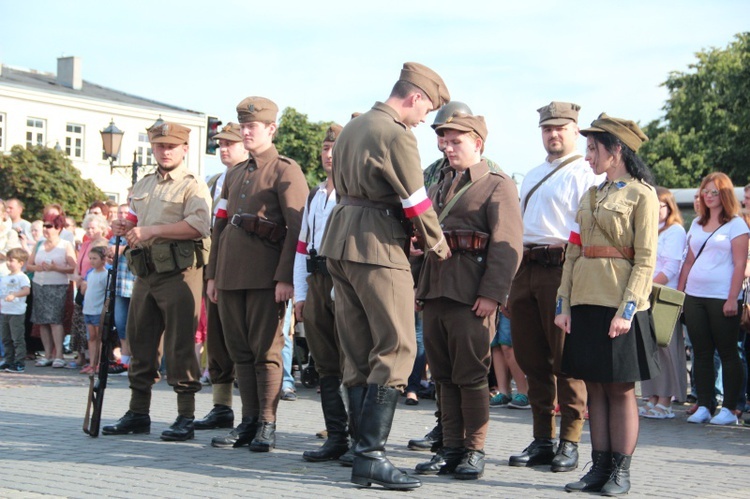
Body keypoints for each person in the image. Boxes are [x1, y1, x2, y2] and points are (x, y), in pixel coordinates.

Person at [319, 62, 451, 490]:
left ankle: (361, 452)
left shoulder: (353, 129)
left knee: (357, 352)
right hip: (377, 244)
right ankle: (372, 456)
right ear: (413, 97)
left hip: (340, 240)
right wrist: (437, 243)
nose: (424, 118)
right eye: (426, 109)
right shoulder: (396, 133)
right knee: (397, 346)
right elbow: (415, 199)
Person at [555, 113, 660, 495]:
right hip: (584, 301)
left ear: (616, 150)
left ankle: (621, 472)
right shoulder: (590, 194)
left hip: (618, 306)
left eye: (594, 149)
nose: (588, 156)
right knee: (594, 387)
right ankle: (598, 469)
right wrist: (562, 303)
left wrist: (628, 310)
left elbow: (646, 259)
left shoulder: (641, 195)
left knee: (619, 390)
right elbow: (573, 252)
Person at [415, 113, 523, 479]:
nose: (447, 147)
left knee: (472, 376)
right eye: (443, 140)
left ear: (478, 142)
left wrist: (493, 294)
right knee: (443, 377)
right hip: (435, 290)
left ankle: (474, 450)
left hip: (470, 294)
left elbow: (508, 247)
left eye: (455, 140)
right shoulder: (438, 182)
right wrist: (420, 288)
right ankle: (450, 447)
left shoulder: (497, 184)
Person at [206, 97, 308, 452]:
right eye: (243, 126)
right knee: (240, 352)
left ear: (270, 129)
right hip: (231, 275)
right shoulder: (233, 173)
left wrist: (287, 277)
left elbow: (298, 228)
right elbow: (219, 227)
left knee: (266, 351)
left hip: (267, 277)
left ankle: (267, 422)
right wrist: (213, 274)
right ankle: (247, 422)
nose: (246, 132)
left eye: (253, 126)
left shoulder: (285, 170)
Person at [102, 122, 212, 442]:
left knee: (180, 346)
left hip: (179, 274)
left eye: (171, 146)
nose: (165, 151)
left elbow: (199, 225)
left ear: (184, 149)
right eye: (160, 145)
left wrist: (152, 232)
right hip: (145, 273)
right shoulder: (145, 183)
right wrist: (124, 226)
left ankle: (185, 416)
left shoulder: (192, 185)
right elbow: (137, 220)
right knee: (139, 342)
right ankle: (138, 412)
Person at [507, 102, 598, 474]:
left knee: (566, 360)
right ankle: (543, 437)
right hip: (526, 267)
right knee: (531, 360)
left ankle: (571, 439)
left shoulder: (584, 173)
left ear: (575, 130)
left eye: (561, 128)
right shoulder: (530, 175)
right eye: (547, 129)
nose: (553, 134)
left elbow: (588, 228)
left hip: (561, 269)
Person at [293, 123, 350, 462]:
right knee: (326, 364)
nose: (330, 155)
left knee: (353, 361)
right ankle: (337, 436)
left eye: (336, 148)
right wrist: (300, 293)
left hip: (343, 280)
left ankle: (359, 437)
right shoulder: (315, 194)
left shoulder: (353, 193)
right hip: (316, 281)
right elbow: (302, 246)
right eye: (326, 149)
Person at [679, 172, 749, 426]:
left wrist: (733, 298)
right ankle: (705, 405)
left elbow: (740, 264)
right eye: (705, 192)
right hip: (695, 295)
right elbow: (688, 261)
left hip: (722, 297)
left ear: (725, 194)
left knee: (729, 352)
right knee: (701, 351)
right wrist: (681, 293)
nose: (708, 197)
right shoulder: (697, 222)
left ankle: (730, 408)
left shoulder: (737, 224)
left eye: (714, 192)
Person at [194, 123, 248, 431]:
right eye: (220, 144)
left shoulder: (250, 178)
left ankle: (255, 413)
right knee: (215, 339)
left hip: (242, 269)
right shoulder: (213, 181)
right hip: (212, 267)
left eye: (230, 143)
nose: (223, 148)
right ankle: (221, 405)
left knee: (242, 339)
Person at [639, 187, 687, 419]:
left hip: (664, 296)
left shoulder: (675, 231)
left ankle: (667, 400)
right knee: (649, 349)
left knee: (667, 348)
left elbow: (670, 268)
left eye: (660, 205)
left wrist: (646, 286)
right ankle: (652, 397)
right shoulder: (649, 229)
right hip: (646, 294)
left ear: (669, 207)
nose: (656, 209)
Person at [26, 214, 77, 368]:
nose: (46, 229)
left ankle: (59, 354)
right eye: (45, 226)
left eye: (49, 226)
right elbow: (29, 265)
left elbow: (73, 266)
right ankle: (47, 354)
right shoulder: (39, 244)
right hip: (40, 285)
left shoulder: (65, 244)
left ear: (58, 228)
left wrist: (56, 268)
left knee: (55, 320)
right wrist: (38, 267)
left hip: (57, 286)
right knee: (42, 321)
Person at [109, 204, 136, 375]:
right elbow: (110, 253)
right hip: (119, 284)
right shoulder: (116, 235)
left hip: (134, 284)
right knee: (121, 324)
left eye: (126, 213)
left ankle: (136, 361)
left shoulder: (136, 232)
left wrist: (120, 249)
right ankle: (125, 360)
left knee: (136, 325)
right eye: (120, 213)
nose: (122, 216)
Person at [0, 248, 31, 373]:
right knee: (5, 338)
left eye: (11, 260)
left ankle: (19, 362)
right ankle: (8, 360)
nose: (8, 263)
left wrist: (15, 295)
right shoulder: (5, 277)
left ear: (20, 263)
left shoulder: (22, 277)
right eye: (7, 260)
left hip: (16, 312)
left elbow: (26, 290)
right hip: (5, 311)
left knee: (17, 338)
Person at [80, 246, 109, 374]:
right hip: (88, 310)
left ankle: (99, 363)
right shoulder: (90, 274)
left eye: (95, 258)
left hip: (98, 311)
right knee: (91, 337)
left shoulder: (106, 275)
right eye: (90, 258)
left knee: (99, 338)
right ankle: (92, 363)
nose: (92, 261)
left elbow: (107, 294)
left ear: (103, 260)